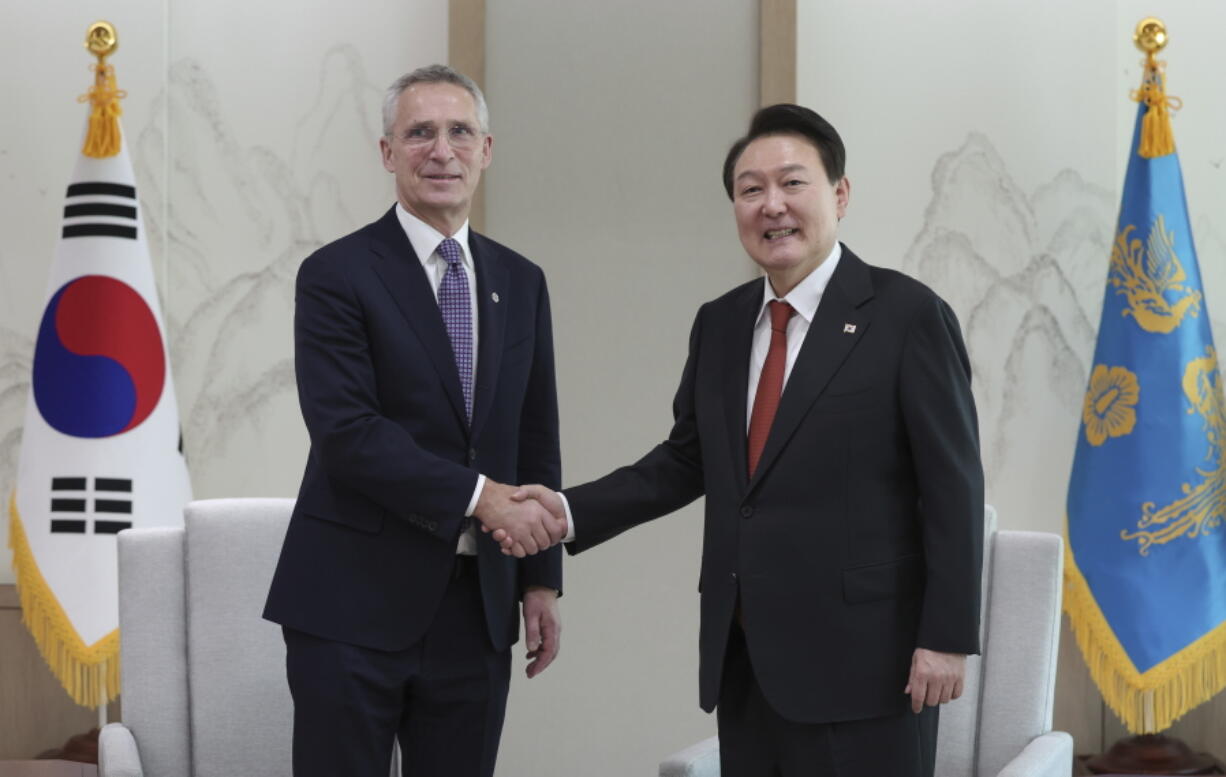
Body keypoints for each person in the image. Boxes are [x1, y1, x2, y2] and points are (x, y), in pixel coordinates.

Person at [504, 104, 984, 777]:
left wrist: (947, 637)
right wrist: (566, 511)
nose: (771, 205)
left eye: (793, 183)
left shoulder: (906, 316)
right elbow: (686, 459)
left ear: (840, 195)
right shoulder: (722, 323)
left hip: (869, 664)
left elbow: (954, 488)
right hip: (746, 657)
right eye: (750, 189)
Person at [264, 63, 566, 777]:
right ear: (387, 152)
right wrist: (479, 496)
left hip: (477, 610)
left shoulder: (521, 281)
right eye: (420, 133)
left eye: (460, 132)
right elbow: (348, 433)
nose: (442, 150)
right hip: (350, 606)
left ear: (486, 150)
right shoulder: (337, 274)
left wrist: (540, 579)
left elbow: (534, 437)